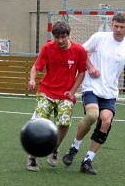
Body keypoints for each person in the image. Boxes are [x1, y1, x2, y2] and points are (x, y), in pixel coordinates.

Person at [62, 12, 125, 175]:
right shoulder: (100, 37)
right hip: (91, 87)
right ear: (112, 24)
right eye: (116, 26)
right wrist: (90, 67)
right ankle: (74, 148)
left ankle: (88, 160)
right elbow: (81, 53)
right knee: (92, 116)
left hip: (110, 92)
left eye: (122, 27)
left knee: (105, 121)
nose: (118, 29)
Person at [26, 20, 87, 172]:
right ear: (53, 37)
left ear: (68, 35)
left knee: (64, 123)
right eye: (57, 37)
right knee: (39, 124)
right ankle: (32, 157)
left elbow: (82, 73)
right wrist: (32, 79)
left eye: (63, 37)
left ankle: (54, 149)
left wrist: (72, 92)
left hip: (66, 94)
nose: (60, 41)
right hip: (46, 91)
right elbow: (36, 67)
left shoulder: (79, 50)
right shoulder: (47, 47)